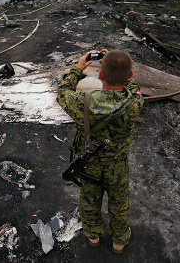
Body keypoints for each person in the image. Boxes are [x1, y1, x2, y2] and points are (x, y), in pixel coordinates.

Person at [57, 49, 144, 254]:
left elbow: (63, 92)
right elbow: (133, 87)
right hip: (117, 164)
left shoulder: (81, 101)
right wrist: (120, 67)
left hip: (89, 164)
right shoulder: (135, 102)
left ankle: (93, 236)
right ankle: (119, 241)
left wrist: (78, 68)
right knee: (119, 202)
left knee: (89, 199)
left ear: (101, 75)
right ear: (130, 75)